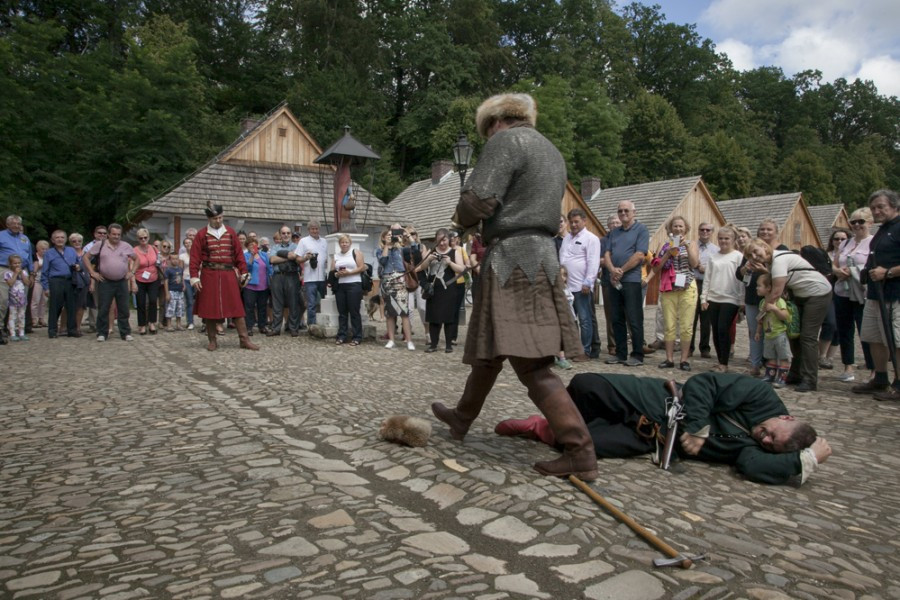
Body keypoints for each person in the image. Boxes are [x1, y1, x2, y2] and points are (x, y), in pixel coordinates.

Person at [431, 92, 597, 480]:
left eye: (487, 131)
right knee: (489, 350)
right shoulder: (551, 151)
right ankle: (461, 417)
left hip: (513, 258)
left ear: (495, 123)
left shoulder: (505, 141)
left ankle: (580, 450)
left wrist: (462, 218)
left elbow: (479, 200)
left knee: (531, 362)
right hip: (538, 255)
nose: (488, 138)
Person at [495, 372, 831, 486]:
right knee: (586, 385)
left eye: (770, 444)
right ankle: (547, 419)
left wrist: (809, 459)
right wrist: (697, 428)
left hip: (650, 439)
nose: (764, 438)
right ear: (787, 418)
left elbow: (752, 465)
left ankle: (541, 429)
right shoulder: (762, 395)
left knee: (582, 444)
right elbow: (705, 384)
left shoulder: (759, 449)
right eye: (772, 433)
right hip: (654, 401)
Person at [745, 238, 832, 392]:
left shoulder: (779, 260)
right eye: (750, 256)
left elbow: (776, 292)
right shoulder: (772, 262)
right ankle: (796, 374)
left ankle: (810, 379)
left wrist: (763, 312)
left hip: (817, 294)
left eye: (755, 252)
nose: (754, 257)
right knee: (795, 334)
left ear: (764, 247)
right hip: (801, 295)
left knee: (808, 337)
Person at [189, 201, 259, 351]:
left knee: (237, 307)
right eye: (215, 218)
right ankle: (212, 340)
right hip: (209, 274)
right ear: (209, 218)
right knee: (209, 309)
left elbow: (238, 255)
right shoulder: (201, 234)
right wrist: (194, 276)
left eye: (220, 217)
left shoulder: (231, 232)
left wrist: (244, 272)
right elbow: (194, 257)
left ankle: (244, 340)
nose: (218, 220)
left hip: (228, 274)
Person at [854, 189, 900, 401]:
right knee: (874, 337)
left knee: (897, 340)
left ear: (894, 205)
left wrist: (888, 272)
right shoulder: (882, 230)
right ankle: (880, 378)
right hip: (875, 293)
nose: (876, 211)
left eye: (881, 206)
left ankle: (899, 384)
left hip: (895, 293)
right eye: (873, 208)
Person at [737, 219, 788, 377]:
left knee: (774, 332)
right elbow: (739, 275)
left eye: (769, 229)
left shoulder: (782, 250)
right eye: (762, 229)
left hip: (774, 299)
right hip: (753, 297)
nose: (765, 232)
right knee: (755, 332)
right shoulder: (752, 249)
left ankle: (774, 366)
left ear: (776, 232)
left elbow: (782, 278)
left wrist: (764, 270)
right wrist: (745, 269)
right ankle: (755, 364)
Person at [604, 200, 649, 367]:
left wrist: (621, 270)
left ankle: (637, 354)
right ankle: (620, 353)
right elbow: (607, 253)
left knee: (634, 318)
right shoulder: (614, 232)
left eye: (626, 210)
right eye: (620, 211)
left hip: (631, 281)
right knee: (616, 318)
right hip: (615, 281)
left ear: (633, 212)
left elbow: (639, 255)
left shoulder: (641, 230)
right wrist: (612, 270)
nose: (623, 213)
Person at [651, 216, 699, 371]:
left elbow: (694, 264)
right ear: (670, 229)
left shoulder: (692, 243)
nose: (678, 229)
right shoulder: (664, 245)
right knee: (669, 325)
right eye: (675, 226)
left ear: (685, 228)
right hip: (669, 288)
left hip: (687, 287)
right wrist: (668, 253)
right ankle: (669, 358)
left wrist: (686, 246)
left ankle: (684, 359)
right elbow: (656, 268)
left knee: (686, 326)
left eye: (681, 226)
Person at [833, 208, 874, 382]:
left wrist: (854, 271)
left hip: (863, 294)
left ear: (870, 223)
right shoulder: (845, 244)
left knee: (866, 332)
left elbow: (873, 267)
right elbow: (834, 264)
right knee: (844, 330)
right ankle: (848, 366)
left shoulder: (873, 242)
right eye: (853, 222)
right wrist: (838, 271)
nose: (857, 225)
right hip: (842, 292)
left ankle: (873, 370)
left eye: (861, 221)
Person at [700, 225, 744, 372]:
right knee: (716, 331)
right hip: (713, 298)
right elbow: (707, 278)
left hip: (731, 298)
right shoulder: (713, 257)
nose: (723, 241)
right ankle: (720, 361)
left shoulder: (738, 256)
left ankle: (724, 363)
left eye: (727, 238)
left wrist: (742, 300)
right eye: (721, 238)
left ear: (733, 239)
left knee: (723, 329)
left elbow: (741, 280)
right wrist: (703, 298)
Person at [82, 223, 136, 342]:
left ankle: (125, 332)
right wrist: (92, 272)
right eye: (114, 234)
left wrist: (132, 272)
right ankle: (102, 332)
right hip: (105, 281)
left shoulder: (126, 246)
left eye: (118, 234)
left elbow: (137, 259)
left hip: (121, 281)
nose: (116, 236)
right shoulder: (100, 245)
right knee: (104, 307)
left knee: (124, 308)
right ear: (109, 234)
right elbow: (86, 257)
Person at [559, 208, 601, 359]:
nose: (573, 225)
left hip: (581, 286)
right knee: (570, 321)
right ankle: (573, 349)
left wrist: (588, 282)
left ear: (584, 221)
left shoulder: (591, 239)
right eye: (571, 222)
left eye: (576, 222)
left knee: (584, 320)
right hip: (566, 287)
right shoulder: (566, 238)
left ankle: (585, 351)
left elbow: (593, 261)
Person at [418, 228, 466, 353]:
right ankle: (433, 344)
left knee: (449, 317)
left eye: (444, 240)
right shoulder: (431, 251)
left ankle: (448, 345)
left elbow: (462, 269)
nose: (442, 243)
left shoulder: (455, 252)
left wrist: (450, 263)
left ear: (449, 240)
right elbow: (421, 267)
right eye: (439, 240)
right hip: (433, 290)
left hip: (449, 288)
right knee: (434, 317)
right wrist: (429, 260)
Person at [376, 223, 419, 350]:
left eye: (393, 235)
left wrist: (408, 235)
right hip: (388, 281)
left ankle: (409, 341)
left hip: (400, 281)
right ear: (383, 238)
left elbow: (415, 249)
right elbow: (383, 261)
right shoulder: (380, 250)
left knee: (404, 312)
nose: (392, 237)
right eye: (389, 235)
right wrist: (387, 246)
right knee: (390, 313)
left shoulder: (401, 249)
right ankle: (391, 340)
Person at [817, 229, 848, 370]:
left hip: (846, 293)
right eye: (836, 239)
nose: (839, 241)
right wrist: (835, 270)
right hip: (828, 292)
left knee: (840, 326)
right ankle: (822, 355)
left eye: (843, 239)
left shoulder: (849, 255)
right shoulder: (826, 255)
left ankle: (830, 357)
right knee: (830, 323)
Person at [41, 229, 81, 338]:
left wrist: (78, 266)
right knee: (55, 306)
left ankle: (72, 330)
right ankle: (52, 330)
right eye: (57, 237)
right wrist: (46, 287)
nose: (60, 239)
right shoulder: (49, 253)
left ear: (66, 239)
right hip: (56, 281)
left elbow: (78, 263)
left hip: (70, 280)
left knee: (71, 306)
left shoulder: (71, 250)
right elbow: (44, 271)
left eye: (62, 237)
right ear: (53, 240)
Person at [755, 274, 793, 387]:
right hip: (768, 335)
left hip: (780, 334)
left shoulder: (779, 301)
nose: (757, 288)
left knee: (783, 356)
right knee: (770, 356)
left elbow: (785, 316)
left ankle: (782, 378)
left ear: (768, 288)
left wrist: (775, 309)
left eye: (759, 286)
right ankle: (770, 375)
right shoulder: (762, 302)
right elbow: (760, 320)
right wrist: (758, 332)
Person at [0, 215, 33, 343]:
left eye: (18, 223)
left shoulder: (24, 238)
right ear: (7, 224)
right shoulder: (1, 235)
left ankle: (20, 330)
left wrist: (32, 272)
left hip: (22, 270)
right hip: (5, 269)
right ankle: (1, 328)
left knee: (21, 301)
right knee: (3, 300)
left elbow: (29, 256)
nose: (16, 226)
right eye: (13, 223)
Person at [331, 234, 366, 345]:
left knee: (354, 312)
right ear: (339, 244)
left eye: (346, 242)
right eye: (342, 242)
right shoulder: (336, 255)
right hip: (340, 286)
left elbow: (361, 267)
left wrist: (349, 273)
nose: (344, 244)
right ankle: (342, 336)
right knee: (342, 312)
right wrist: (337, 274)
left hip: (354, 284)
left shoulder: (355, 252)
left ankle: (357, 337)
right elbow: (332, 271)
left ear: (350, 243)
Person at [267, 225, 303, 337]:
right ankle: (276, 329)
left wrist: (281, 255)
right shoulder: (275, 247)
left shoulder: (296, 246)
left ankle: (293, 328)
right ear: (280, 235)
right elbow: (272, 259)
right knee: (277, 303)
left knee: (293, 303)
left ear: (291, 234)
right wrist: (288, 257)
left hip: (292, 276)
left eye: (288, 233)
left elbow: (296, 258)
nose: (286, 235)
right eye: (283, 233)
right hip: (278, 276)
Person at [690, 222, 718, 358]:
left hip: (707, 285)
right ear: (698, 231)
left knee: (706, 319)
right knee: (691, 318)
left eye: (708, 230)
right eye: (702, 229)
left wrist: (705, 269)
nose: (705, 232)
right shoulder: (691, 246)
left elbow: (717, 269)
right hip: (692, 283)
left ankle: (705, 348)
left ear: (712, 232)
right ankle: (689, 347)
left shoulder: (716, 250)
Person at [298, 220, 329, 327]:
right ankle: (311, 325)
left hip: (323, 277)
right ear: (309, 230)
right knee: (311, 304)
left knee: (324, 302)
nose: (315, 231)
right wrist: (306, 257)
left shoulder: (325, 241)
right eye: (312, 229)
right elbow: (297, 258)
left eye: (316, 229)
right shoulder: (303, 241)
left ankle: (323, 323)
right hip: (310, 277)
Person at [599, 214, 621, 356]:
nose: (615, 225)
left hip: (625, 279)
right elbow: (599, 260)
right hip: (608, 281)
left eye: (617, 222)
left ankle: (636, 343)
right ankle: (612, 345)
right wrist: (611, 261)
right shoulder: (603, 241)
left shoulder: (626, 238)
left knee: (628, 313)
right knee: (611, 315)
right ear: (608, 225)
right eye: (612, 222)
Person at [132, 228, 161, 335]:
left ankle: (152, 322)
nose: (143, 240)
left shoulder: (153, 248)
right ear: (137, 239)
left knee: (153, 301)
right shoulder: (134, 251)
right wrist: (132, 282)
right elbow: (131, 267)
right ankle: (142, 325)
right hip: (139, 278)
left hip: (153, 278)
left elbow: (158, 261)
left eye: (145, 237)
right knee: (141, 303)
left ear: (148, 238)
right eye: (141, 238)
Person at [243, 239, 271, 335]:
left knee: (262, 306)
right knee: (249, 307)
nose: (253, 246)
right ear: (247, 246)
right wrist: (252, 256)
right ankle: (249, 327)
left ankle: (262, 326)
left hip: (263, 285)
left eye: (254, 244)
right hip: (250, 285)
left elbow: (269, 268)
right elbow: (247, 268)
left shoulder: (264, 255)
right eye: (250, 245)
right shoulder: (245, 255)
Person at [83, 225, 108, 333]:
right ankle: (93, 324)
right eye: (100, 233)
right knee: (94, 301)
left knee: (105, 301)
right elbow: (86, 262)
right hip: (92, 275)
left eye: (104, 233)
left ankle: (103, 323)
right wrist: (92, 275)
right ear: (95, 234)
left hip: (106, 276)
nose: (102, 235)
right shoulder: (88, 247)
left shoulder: (109, 245)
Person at [69, 232, 90, 335]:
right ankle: (65, 327)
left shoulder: (87, 254)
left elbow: (91, 268)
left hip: (84, 282)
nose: (77, 243)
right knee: (68, 306)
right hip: (70, 281)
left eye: (79, 241)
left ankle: (78, 327)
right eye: (74, 241)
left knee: (81, 305)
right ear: (70, 242)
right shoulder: (67, 253)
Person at [4, 255, 30, 341]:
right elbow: (10, 283)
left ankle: (21, 332)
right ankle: (12, 333)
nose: (17, 265)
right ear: (10, 264)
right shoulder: (8, 273)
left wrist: (21, 274)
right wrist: (15, 274)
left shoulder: (24, 272)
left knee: (21, 316)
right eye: (15, 263)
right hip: (12, 298)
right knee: (13, 316)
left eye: (19, 263)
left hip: (22, 298)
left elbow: (27, 283)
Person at [162, 251, 186, 331]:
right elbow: (166, 282)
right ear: (170, 260)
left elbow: (182, 277)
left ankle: (178, 324)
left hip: (179, 291)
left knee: (180, 308)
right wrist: (167, 293)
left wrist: (184, 285)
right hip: (171, 291)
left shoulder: (180, 269)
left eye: (176, 259)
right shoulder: (168, 270)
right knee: (170, 308)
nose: (175, 260)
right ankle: (169, 325)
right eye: (173, 259)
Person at [30, 240, 48, 328]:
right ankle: (34, 319)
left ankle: (42, 318)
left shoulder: (47, 258)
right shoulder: (35, 257)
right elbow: (33, 268)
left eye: (46, 249)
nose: (44, 251)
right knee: (35, 301)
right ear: (38, 249)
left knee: (44, 301)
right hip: (36, 280)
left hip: (45, 281)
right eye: (42, 249)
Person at [178, 237, 195, 330]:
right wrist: (182, 282)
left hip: (196, 279)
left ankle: (205, 322)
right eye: (186, 243)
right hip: (186, 279)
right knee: (189, 301)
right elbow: (180, 270)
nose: (188, 244)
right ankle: (190, 321)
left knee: (201, 300)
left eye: (190, 242)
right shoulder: (182, 256)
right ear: (184, 245)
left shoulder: (197, 254)